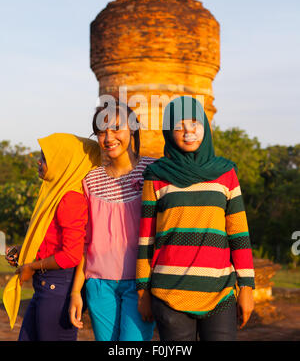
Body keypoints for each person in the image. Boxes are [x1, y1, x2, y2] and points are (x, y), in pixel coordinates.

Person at [136, 96, 255, 341]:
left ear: (205, 127)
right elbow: (146, 238)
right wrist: (142, 292)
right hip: (168, 294)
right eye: (179, 126)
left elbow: (239, 234)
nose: (189, 132)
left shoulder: (225, 173)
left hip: (219, 293)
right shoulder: (156, 175)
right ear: (169, 131)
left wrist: (247, 287)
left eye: (195, 123)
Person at [69, 101, 155, 341]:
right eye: (102, 131)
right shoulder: (89, 180)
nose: (109, 137)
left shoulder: (153, 171)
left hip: (140, 284)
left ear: (133, 129)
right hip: (98, 284)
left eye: (116, 128)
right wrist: (76, 291)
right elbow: (84, 240)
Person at [3, 133, 101, 341]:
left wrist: (31, 267)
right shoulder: (54, 194)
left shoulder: (70, 199)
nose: (39, 161)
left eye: (46, 158)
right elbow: (50, 241)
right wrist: (24, 251)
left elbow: (71, 256)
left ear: (64, 164)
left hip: (58, 286)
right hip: (48, 284)